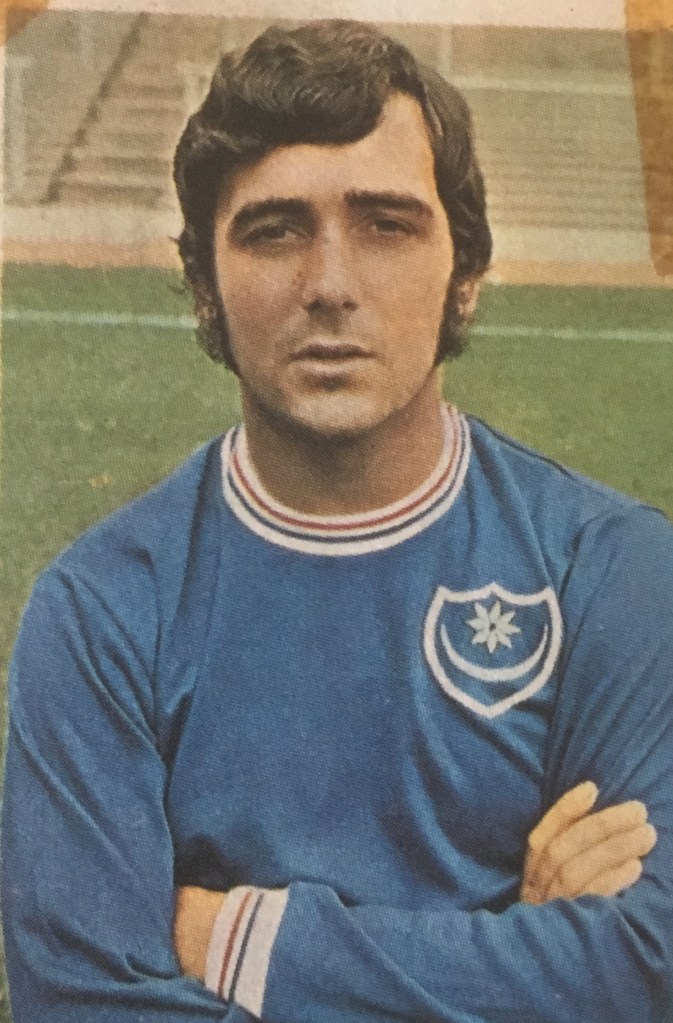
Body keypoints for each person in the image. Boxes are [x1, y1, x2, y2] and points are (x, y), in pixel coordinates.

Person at [2, 19, 672, 1023]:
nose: (328, 285)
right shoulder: (101, 613)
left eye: (386, 225)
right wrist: (525, 962)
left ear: (465, 271)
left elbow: (650, 963)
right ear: (204, 285)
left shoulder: (609, 571)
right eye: (273, 230)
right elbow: (80, 1003)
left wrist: (239, 937)